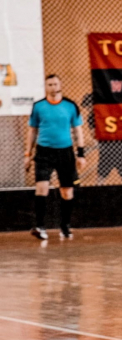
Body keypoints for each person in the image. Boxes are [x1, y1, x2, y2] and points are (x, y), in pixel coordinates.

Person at [24, 74, 85, 240]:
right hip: (44, 152)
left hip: (65, 152)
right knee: (41, 188)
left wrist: (80, 154)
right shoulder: (38, 106)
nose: (53, 87)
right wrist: (27, 154)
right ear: (46, 87)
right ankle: (40, 227)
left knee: (67, 192)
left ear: (60, 85)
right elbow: (32, 131)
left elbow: (78, 130)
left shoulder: (70, 106)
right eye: (49, 84)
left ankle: (65, 226)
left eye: (55, 84)